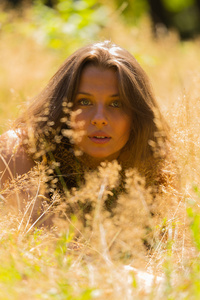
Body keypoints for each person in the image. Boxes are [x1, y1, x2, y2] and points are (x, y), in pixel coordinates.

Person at [0, 41, 173, 215]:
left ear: (137, 115)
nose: (99, 119)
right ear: (62, 107)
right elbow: (48, 239)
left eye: (116, 103)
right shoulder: (19, 150)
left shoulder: (158, 162)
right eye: (84, 102)